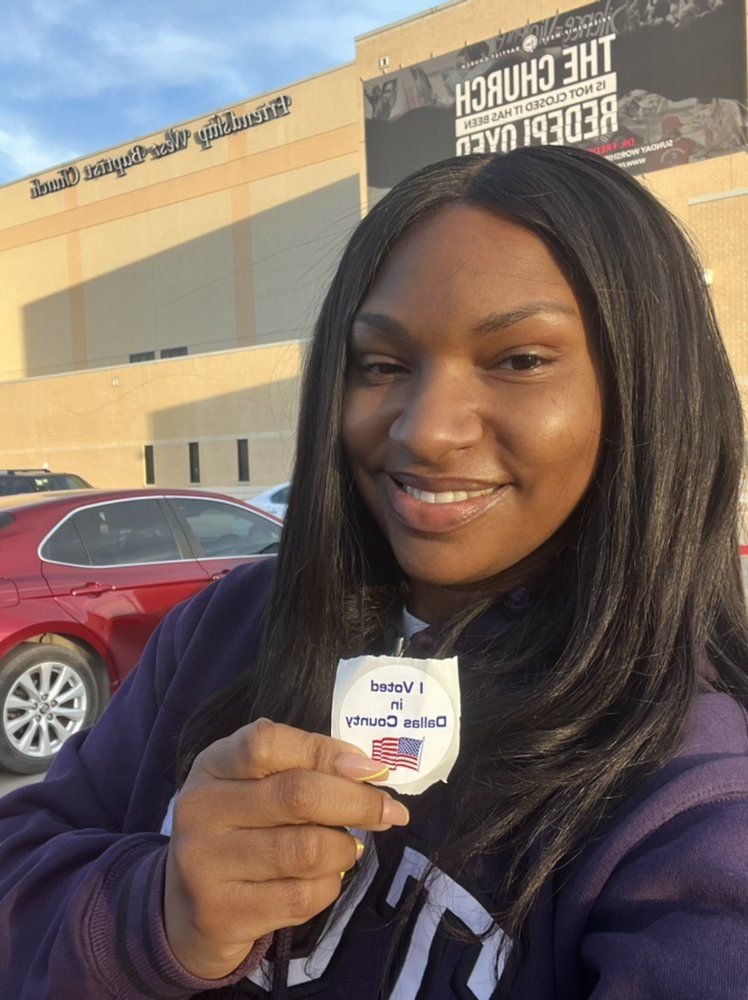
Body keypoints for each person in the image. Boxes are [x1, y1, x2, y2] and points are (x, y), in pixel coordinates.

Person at [0, 146, 746, 999]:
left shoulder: (690, 792)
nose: (425, 430)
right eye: (382, 366)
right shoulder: (226, 627)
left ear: (647, 390)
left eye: (519, 360)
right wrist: (152, 916)